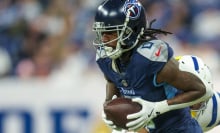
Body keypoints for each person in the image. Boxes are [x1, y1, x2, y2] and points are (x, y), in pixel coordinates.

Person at [92, 0, 213, 132]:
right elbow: (113, 84)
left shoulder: (149, 58)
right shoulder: (105, 59)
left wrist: (157, 108)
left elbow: (203, 91)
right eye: (102, 33)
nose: (104, 40)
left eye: (111, 33)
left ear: (131, 31)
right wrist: (110, 112)